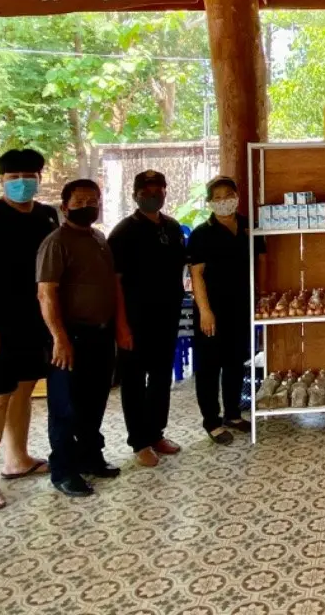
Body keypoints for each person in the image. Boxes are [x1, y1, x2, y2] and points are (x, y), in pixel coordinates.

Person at [0, 148, 61, 511]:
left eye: (28, 176)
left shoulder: (48, 216)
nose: (21, 183)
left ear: (39, 178)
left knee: (23, 391)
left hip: (35, 322)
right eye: (13, 177)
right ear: (1, 181)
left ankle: (17, 458)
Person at [37, 179, 132, 497]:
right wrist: (59, 338)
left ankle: (91, 457)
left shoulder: (99, 238)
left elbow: (112, 286)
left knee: (95, 401)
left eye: (92, 201)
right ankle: (64, 471)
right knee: (66, 407)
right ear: (64, 207)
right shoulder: (56, 243)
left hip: (101, 335)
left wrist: (119, 327)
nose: (86, 207)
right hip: (70, 336)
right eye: (79, 202)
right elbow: (46, 294)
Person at [108, 170, 188, 467]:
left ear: (165, 192)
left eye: (158, 190)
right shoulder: (123, 232)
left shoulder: (172, 227)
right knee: (133, 381)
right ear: (135, 195)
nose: (153, 195)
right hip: (134, 320)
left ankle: (156, 434)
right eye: (146, 191)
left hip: (166, 316)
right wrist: (121, 325)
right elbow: (115, 282)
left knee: (160, 377)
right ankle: (139, 442)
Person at [188, 176, 261, 443]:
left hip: (241, 306)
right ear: (210, 202)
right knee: (209, 366)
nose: (223, 201)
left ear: (237, 197)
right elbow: (196, 274)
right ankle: (211, 421)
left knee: (235, 361)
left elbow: (260, 262)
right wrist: (205, 311)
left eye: (228, 195)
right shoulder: (201, 234)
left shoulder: (248, 227)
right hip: (212, 309)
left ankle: (233, 413)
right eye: (217, 197)